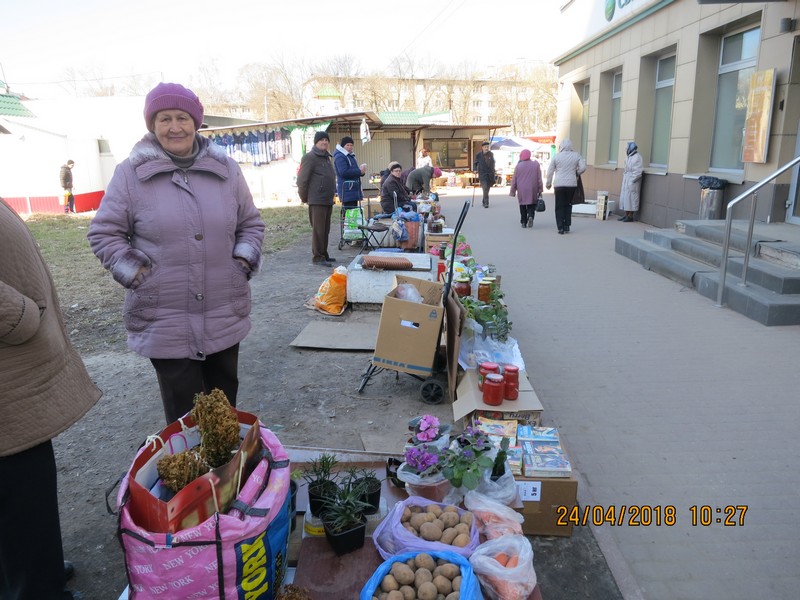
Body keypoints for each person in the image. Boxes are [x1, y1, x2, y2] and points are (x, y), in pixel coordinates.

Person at [87, 82, 265, 424]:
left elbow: (251, 224)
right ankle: (190, 477)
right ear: (152, 125)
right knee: (184, 418)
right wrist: (137, 273)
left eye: (182, 117)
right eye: (164, 118)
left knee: (224, 409)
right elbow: (104, 232)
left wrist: (241, 262)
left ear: (195, 123)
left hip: (222, 308)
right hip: (164, 314)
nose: (174, 127)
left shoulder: (227, 170)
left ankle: (229, 474)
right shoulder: (130, 174)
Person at [1, 197, 101, 600]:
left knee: (21, 496)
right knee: (20, 487)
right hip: (7, 377)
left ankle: (28, 569)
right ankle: (34, 588)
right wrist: (18, 315)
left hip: (11, 372)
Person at [297, 131, 337, 266]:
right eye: (321, 140)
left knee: (325, 229)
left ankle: (324, 254)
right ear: (316, 142)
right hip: (317, 200)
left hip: (327, 199)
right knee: (318, 229)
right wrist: (304, 198)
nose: (324, 142)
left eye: (326, 140)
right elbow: (302, 180)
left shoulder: (326, 157)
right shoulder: (310, 157)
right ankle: (318, 257)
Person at [545, 139, 586, 234]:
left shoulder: (556, 157)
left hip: (559, 185)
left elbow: (550, 171)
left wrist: (548, 183)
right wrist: (577, 173)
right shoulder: (576, 155)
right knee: (568, 204)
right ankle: (567, 225)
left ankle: (560, 227)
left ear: (561, 146)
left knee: (559, 206)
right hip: (571, 185)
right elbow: (583, 167)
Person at [509, 149, 543, 229]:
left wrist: (512, 191)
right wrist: (540, 189)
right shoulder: (536, 164)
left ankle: (523, 222)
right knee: (531, 203)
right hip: (532, 188)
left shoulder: (518, 166)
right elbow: (539, 178)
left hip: (521, 189)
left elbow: (514, 179)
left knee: (522, 205)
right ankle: (530, 216)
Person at [334, 135, 366, 209]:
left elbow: (353, 171)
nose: (349, 147)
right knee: (349, 212)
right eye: (347, 145)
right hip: (347, 189)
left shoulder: (350, 156)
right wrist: (359, 171)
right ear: (343, 146)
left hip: (352, 189)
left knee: (352, 213)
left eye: (351, 145)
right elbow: (343, 172)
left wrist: (362, 172)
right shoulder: (340, 157)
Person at [618, 141, 643, 222]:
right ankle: (626, 214)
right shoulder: (629, 157)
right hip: (627, 178)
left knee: (631, 199)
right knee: (625, 198)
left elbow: (638, 172)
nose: (626, 149)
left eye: (627, 148)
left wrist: (631, 181)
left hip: (632, 181)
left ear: (631, 148)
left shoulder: (637, 157)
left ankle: (630, 216)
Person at [473, 141, 496, 208]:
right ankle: (486, 203)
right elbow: (475, 163)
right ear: (482, 147)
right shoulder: (479, 155)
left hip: (490, 174)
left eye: (487, 147)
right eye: (485, 147)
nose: (486, 148)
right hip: (482, 174)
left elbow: (493, 163)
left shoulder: (491, 154)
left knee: (487, 189)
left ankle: (484, 200)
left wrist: (493, 170)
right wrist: (475, 169)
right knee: (485, 187)